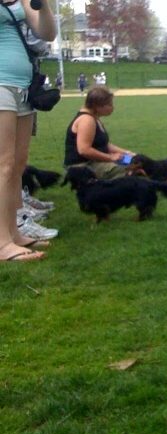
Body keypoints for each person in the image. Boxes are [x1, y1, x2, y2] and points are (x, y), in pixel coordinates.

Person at [0, 0, 56, 262]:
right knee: (4, 164)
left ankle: (13, 233)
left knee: (18, 164)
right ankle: (2, 243)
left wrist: (42, 5)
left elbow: (48, 33)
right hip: (1, 83)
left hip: (23, 86)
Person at [63, 86, 136, 180]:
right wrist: (110, 158)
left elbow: (105, 144)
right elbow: (84, 150)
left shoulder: (94, 118)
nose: (112, 107)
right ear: (97, 105)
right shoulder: (86, 120)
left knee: (135, 162)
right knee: (126, 168)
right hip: (83, 165)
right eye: (109, 104)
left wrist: (128, 153)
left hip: (96, 161)